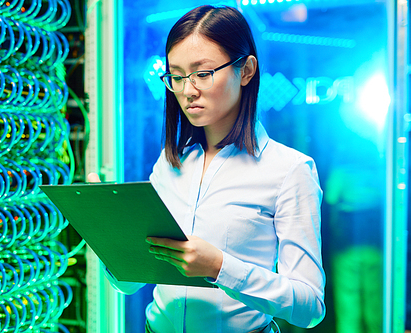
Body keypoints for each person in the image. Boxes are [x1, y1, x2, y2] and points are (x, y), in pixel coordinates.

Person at [90, 4, 325, 333]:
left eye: (202, 73)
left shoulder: (290, 170)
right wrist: (112, 240)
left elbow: (309, 307)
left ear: (246, 71)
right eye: (176, 76)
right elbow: (129, 284)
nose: (188, 91)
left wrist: (219, 267)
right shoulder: (171, 163)